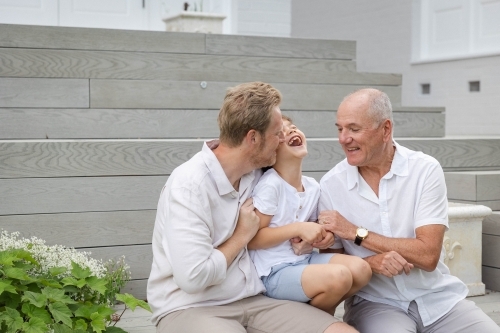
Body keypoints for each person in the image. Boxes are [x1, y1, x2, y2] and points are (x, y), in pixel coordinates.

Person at [147, 82, 359, 333]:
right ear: (253, 138)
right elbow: (193, 278)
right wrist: (241, 235)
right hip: (191, 307)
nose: (283, 139)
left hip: (255, 300)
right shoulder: (188, 186)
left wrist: (308, 238)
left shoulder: (257, 173)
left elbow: (291, 203)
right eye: (278, 133)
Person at [316, 88, 500, 333]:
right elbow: (331, 267)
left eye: (354, 129)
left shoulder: (424, 170)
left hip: (439, 300)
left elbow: (427, 256)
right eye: (340, 129)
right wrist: (371, 263)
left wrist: (357, 233)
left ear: (386, 129)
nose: (343, 138)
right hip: (376, 304)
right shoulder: (330, 186)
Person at [248, 115, 372, 315]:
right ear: (270, 149)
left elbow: (316, 227)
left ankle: (308, 319)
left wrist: (323, 238)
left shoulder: (313, 186)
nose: (291, 131)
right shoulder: (271, 185)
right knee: (339, 277)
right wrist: (297, 229)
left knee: (361, 269)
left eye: (293, 127)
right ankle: (313, 322)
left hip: (303, 262)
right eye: (281, 132)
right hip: (274, 272)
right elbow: (252, 239)